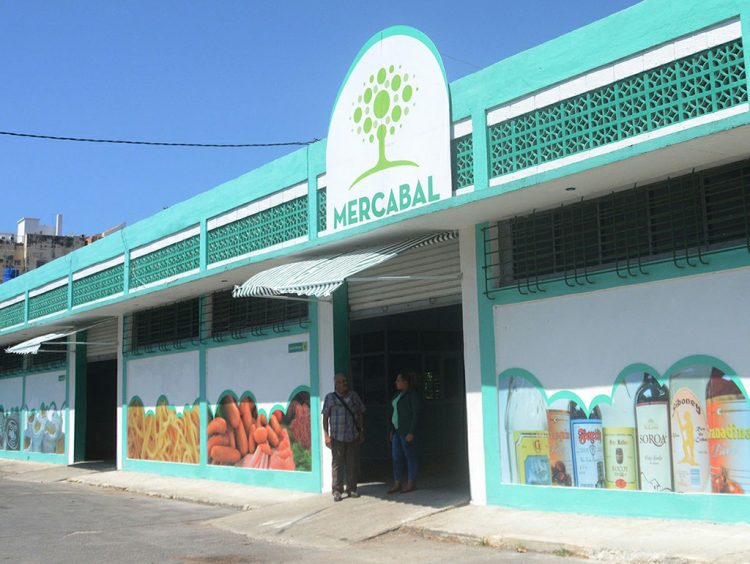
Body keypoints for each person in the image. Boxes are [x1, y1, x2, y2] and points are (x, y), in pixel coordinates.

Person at [322, 372, 366, 501]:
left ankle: (352, 489)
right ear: (336, 384)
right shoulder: (330, 398)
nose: (345, 383)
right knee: (337, 464)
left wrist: (361, 431)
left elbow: (360, 413)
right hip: (337, 437)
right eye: (342, 382)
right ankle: (337, 490)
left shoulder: (354, 396)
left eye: (346, 381)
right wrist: (326, 435)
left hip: (352, 435)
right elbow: (325, 417)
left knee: (352, 463)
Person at [387, 370, 420, 494]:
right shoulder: (396, 396)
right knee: (396, 457)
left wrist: (411, 431)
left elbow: (416, 414)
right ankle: (397, 483)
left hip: (406, 431)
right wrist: (391, 429)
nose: (396, 383)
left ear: (405, 382)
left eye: (399, 380)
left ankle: (411, 482)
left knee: (409, 456)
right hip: (396, 431)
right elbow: (393, 413)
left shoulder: (412, 395)